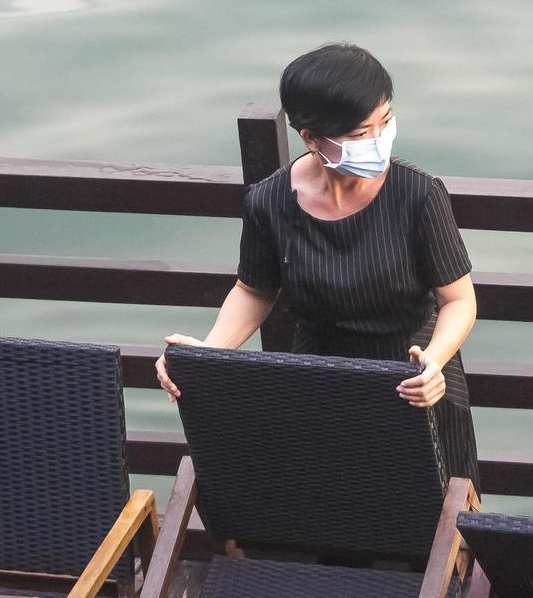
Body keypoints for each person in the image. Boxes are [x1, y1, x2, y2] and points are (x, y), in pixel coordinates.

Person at [155, 43, 481, 486]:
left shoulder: (418, 195)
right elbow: (254, 289)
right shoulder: (269, 200)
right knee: (329, 510)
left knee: (431, 524)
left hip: (411, 376)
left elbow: (458, 298)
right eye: (360, 133)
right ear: (310, 138)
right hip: (318, 378)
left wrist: (435, 363)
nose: (378, 141)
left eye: (384, 122)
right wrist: (210, 353)